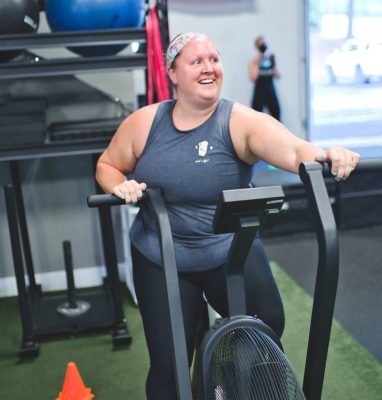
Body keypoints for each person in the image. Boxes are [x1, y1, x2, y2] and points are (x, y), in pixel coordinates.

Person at [95, 32, 360, 400]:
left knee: (266, 328)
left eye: (214, 59)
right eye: (197, 61)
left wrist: (326, 157)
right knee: (170, 364)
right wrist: (118, 186)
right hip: (162, 253)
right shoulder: (145, 123)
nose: (209, 68)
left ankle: (228, 387)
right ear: (173, 73)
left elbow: (293, 148)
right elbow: (107, 164)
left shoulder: (239, 122)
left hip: (228, 249)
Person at [249, 35, 281, 120]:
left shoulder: (271, 58)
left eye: (264, 43)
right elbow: (253, 78)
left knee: (276, 117)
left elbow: (278, 76)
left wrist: (274, 62)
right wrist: (258, 62)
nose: (263, 45)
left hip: (271, 91)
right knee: (256, 119)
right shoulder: (254, 61)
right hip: (259, 92)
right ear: (257, 46)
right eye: (261, 44)